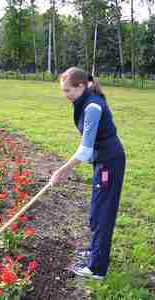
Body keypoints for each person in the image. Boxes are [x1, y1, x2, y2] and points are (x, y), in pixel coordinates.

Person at [50, 67, 126, 280]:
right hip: (102, 161)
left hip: (109, 164)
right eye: (63, 91)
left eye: (68, 91)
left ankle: (97, 268)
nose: (65, 95)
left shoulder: (92, 106)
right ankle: (95, 251)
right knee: (96, 209)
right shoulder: (85, 101)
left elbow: (85, 150)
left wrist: (61, 171)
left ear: (82, 86)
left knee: (103, 213)